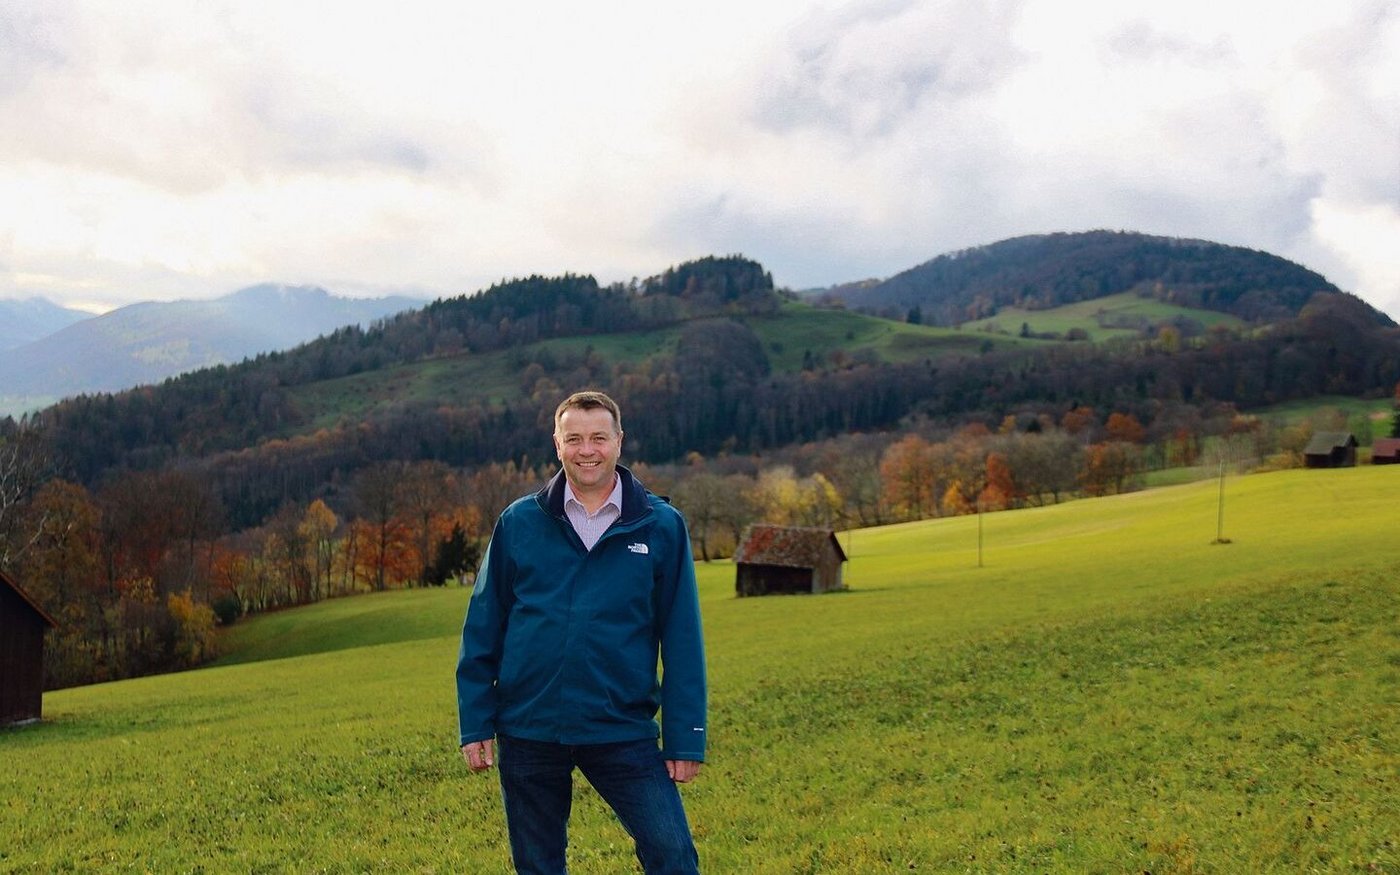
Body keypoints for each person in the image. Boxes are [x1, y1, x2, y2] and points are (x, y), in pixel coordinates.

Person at [456, 390, 707, 874]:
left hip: (620, 727)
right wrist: (475, 721)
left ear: (618, 441)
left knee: (673, 853)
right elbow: (483, 627)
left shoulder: (661, 526)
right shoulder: (520, 521)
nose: (586, 450)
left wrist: (685, 738)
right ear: (557, 443)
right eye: (574, 438)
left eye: (598, 437)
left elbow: (682, 639)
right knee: (538, 865)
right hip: (529, 729)